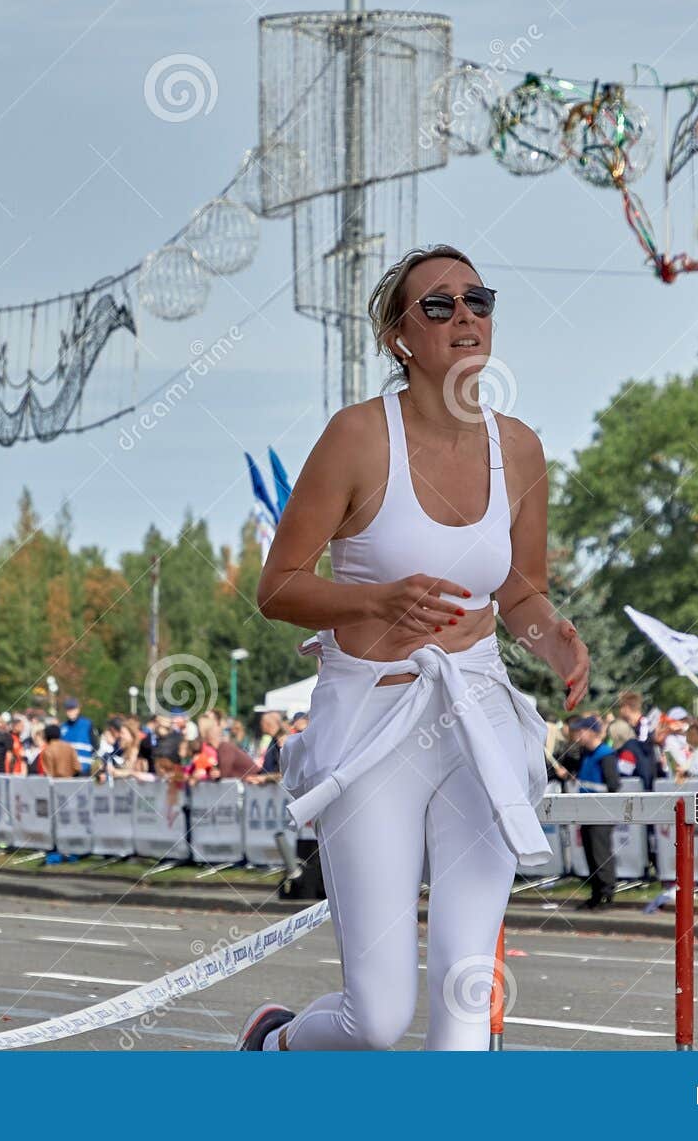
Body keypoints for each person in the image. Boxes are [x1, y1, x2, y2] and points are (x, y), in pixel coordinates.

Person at [241, 243, 588, 1052]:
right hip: (374, 724)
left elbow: (519, 592)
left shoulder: (523, 448)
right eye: (439, 305)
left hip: (478, 720)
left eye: (478, 299)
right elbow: (277, 585)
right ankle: (276, 1045)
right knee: (380, 1018)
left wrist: (556, 639)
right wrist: (375, 598)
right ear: (401, 336)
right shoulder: (358, 437)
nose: (465, 315)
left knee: (466, 1003)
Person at [567, 715, 619, 907]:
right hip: (586, 811)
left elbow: (613, 784)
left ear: (592, 732)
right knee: (590, 853)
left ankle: (606, 893)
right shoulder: (585, 754)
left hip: (601, 812)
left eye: (581, 731)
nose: (578, 735)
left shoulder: (605, 754)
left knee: (601, 853)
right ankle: (596, 893)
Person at [60, 698, 97, 777]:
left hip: (84, 769)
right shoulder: (63, 727)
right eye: (68, 709)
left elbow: (95, 745)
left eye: (72, 709)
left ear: (78, 709)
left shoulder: (87, 724)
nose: (70, 712)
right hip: (68, 769)